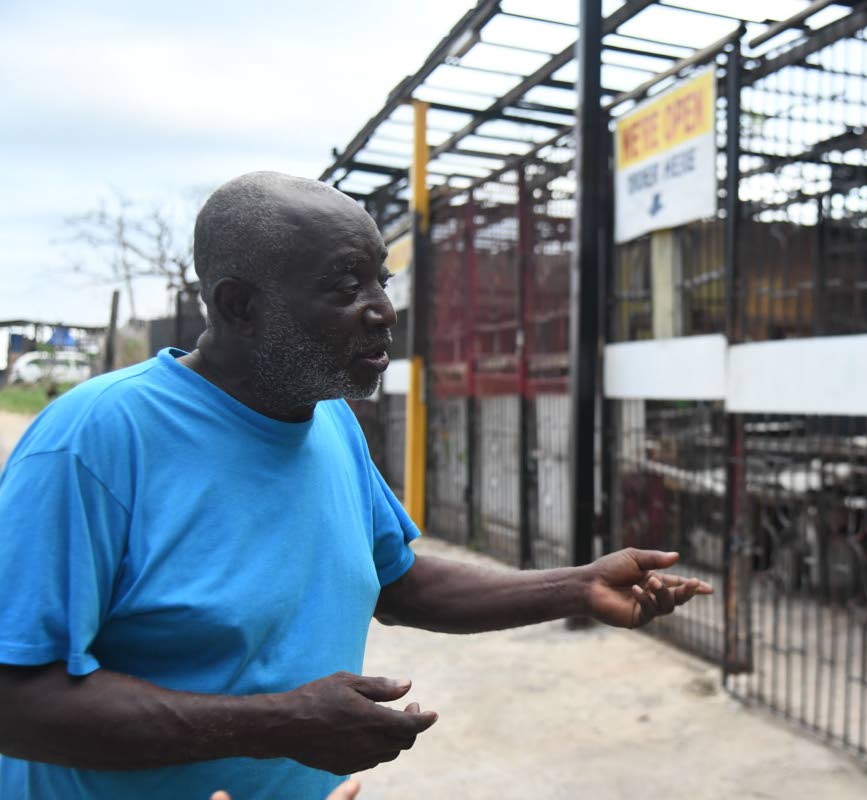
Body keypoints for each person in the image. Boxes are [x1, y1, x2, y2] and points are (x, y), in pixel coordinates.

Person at [0, 172, 712, 799]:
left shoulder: (328, 421)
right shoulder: (93, 443)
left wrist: (575, 587)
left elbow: (392, 581)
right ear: (238, 306)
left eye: (381, 280)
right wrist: (279, 724)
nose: (383, 309)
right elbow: (15, 702)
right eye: (346, 286)